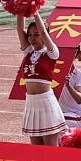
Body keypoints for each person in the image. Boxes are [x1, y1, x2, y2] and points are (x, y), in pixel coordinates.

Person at [16, 13, 66, 146]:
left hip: (46, 103)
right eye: (30, 35)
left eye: (36, 34)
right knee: (36, 149)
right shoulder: (28, 52)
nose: (32, 38)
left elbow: (44, 32)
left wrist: (35, 12)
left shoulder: (51, 53)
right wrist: (20, 9)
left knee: (50, 150)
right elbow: (20, 29)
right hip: (31, 103)